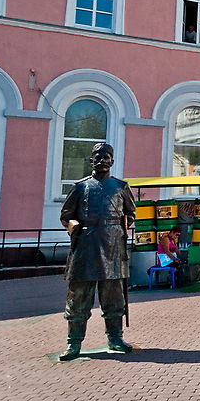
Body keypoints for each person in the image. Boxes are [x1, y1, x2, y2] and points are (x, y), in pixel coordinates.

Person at [58, 143, 136, 361]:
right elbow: (66, 215)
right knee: (78, 297)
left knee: (114, 298)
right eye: (98, 156)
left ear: (112, 161)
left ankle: (115, 338)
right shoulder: (80, 187)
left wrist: (124, 223)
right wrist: (72, 224)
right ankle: (73, 343)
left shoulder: (121, 187)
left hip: (112, 248)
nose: (102, 159)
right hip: (85, 247)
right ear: (91, 160)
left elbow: (131, 212)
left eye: (107, 156)